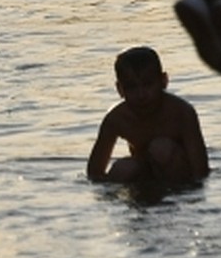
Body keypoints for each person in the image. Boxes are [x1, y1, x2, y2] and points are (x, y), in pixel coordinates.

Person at [86, 46, 209, 183]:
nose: (141, 95)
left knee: (161, 148)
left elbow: (201, 170)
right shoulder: (116, 119)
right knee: (123, 168)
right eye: (132, 87)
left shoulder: (182, 113)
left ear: (163, 81)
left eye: (148, 84)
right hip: (144, 176)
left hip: (179, 176)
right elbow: (94, 173)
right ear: (120, 89)